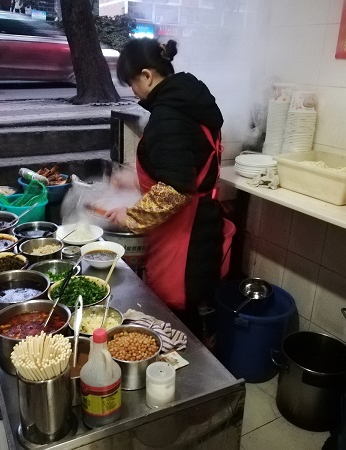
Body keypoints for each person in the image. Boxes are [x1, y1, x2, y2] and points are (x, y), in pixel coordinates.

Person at [105, 38, 227, 342]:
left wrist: (131, 215)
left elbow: (175, 188)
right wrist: (135, 179)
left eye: (132, 83)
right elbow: (188, 164)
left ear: (147, 76)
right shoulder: (190, 103)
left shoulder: (168, 116)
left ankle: (195, 378)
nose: (133, 92)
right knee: (193, 308)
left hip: (184, 239)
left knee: (178, 319)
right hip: (201, 223)